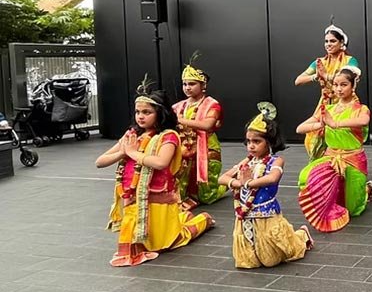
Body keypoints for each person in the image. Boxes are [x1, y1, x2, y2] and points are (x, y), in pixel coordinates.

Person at [97, 78, 214, 267]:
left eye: (147, 112)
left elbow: (161, 163)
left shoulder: (168, 136)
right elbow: (100, 162)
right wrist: (122, 152)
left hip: (158, 198)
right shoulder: (131, 136)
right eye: (138, 112)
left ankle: (202, 221)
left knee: (167, 243)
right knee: (138, 238)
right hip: (133, 196)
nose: (140, 117)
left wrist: (133, 153)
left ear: (160, 113)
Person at [221, 102, 313, 269]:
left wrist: (248, 183)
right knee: (247, 262)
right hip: (245, 214)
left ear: (269, 143)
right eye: (248, 141)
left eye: (257, 141)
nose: (251, 145)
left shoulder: (275, 161)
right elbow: (223, 178)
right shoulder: (246, 162)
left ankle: (302, 236)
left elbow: (272, 178)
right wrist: (237, 183)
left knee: (271, 260)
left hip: (266, 214)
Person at [296, 66, 372, 232]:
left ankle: (366, 190)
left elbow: (363, 121)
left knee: (354, 210)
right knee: (305, 177)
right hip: (331, 158)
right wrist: (320, 125)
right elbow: (300, 128)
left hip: (353, 159)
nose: (339, 89)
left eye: (344, 85)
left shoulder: (361, 109)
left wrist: (335, 124)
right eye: (336, 85)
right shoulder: (327, 109)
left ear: (353, 86)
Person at [294, 22, 361, 159]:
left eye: (332, 41)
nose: (328, 44)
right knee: (314, 138)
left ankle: (343, 166)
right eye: (326, 41)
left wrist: (326, 76)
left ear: (341, 43)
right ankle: (322, 166)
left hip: (345, 104)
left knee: (342, 137)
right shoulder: (319, 63)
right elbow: (298, 80)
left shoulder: (350, 61)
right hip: (325, 104)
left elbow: (349, 75)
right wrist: (316, 76)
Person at [172, 54, 227, 211]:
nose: (187, 87)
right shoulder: (178, 106)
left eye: (192, 84)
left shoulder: (212, 104)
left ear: (203, 85)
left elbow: (207, 125)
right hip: (184, 149)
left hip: (206, 148)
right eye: (184, 84)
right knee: (180, 188)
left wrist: (180, 120)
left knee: (207, 196)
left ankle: (227, 181)